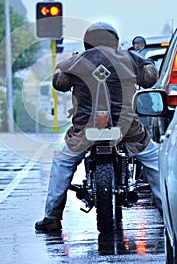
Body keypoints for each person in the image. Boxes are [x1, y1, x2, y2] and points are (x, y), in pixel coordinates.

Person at [35, 22, 161, 233]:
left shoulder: (77, 60)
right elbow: (150, 78)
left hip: (85, 128)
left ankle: (52, 217)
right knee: (156, 160)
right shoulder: (128, 58)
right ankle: (168, 209)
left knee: (62, 162)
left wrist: (66, 65)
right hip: (128, 128)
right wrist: (144, 61)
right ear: (114, 40)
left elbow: (60, 83)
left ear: (87, 41)